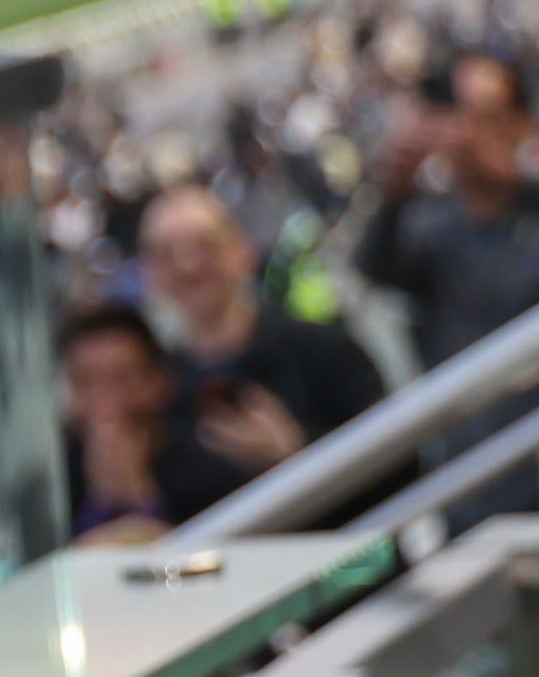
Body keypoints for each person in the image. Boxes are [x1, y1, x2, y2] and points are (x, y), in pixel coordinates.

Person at [338, 47, 539, 372]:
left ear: (523, 122)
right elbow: (373, 268)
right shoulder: (430, 227)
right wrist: (393, 194)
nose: (480, 135)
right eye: (470, 118)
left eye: (495, 118)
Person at [137, 183, 388, 480]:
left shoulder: (324, 349)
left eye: (205, 245)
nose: (188, 265)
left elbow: (395, 455)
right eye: (165, 254)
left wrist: (297, 451)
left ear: (241, 251)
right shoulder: (155, 395)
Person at [58, 310, 241, 537]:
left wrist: (141, 496)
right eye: (86, 382)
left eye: (122, 380)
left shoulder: (210, 477)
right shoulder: (52, 482)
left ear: (159, 382)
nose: (105, 402)